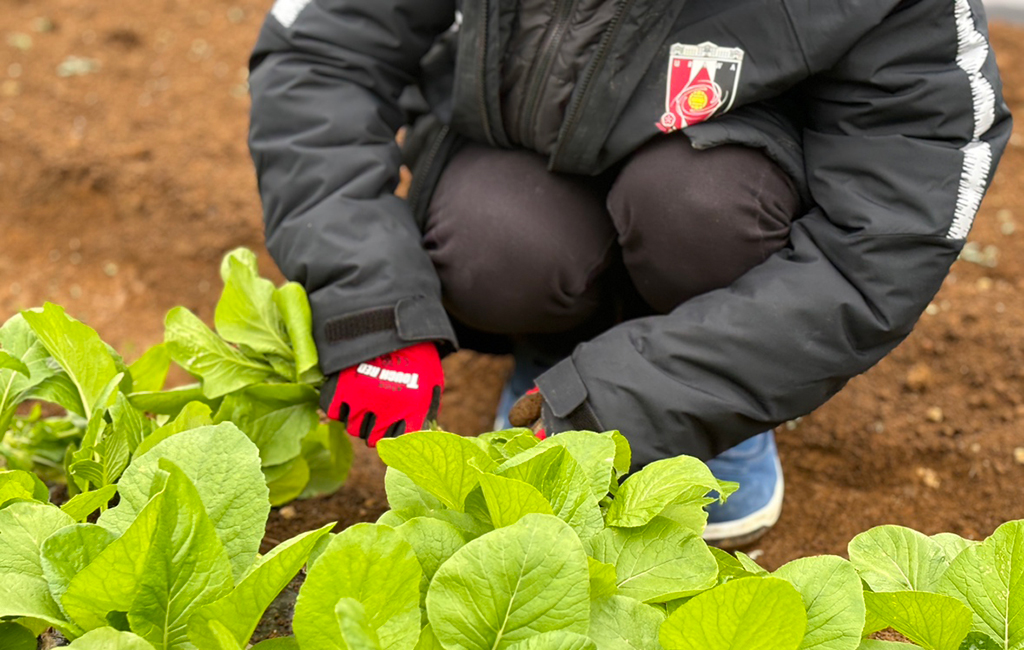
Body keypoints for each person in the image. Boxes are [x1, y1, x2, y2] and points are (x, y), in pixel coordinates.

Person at [247, 0, 1011, 546]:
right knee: (494, 237)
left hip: (720, 199)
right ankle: (550, 362)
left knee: (702, 208)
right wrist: (368, 303)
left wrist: (633, 405)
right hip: (520, 159)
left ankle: (716, 410)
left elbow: (885, 232)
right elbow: (320, 59)